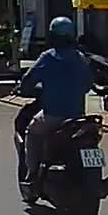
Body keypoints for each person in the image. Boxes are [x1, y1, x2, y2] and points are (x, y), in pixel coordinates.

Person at [16, 16, 92, 188]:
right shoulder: (80, 58)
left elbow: (28, 79)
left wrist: (22, 88)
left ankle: (32, 174)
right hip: (78, 118)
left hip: (53, 116)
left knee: (32, 132)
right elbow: (88, 85)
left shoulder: (48, 57)